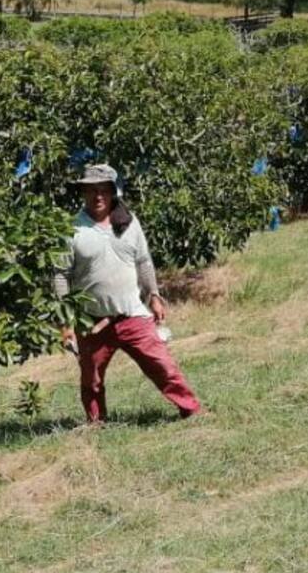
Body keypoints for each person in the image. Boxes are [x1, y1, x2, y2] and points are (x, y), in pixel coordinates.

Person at [53, 164, 202, 423]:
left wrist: (154, 295)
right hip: (91, 321)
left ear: (113, 193)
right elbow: (60, 274)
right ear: (83, 193)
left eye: (103, 190)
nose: (97, 196)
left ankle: (191, 410)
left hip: (131, 314)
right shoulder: (71, 229)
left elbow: (143, 261)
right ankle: (97, 424)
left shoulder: (129, 224)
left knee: (163, 367)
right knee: (92, 379)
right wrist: (65, 322)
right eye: (91, 190)